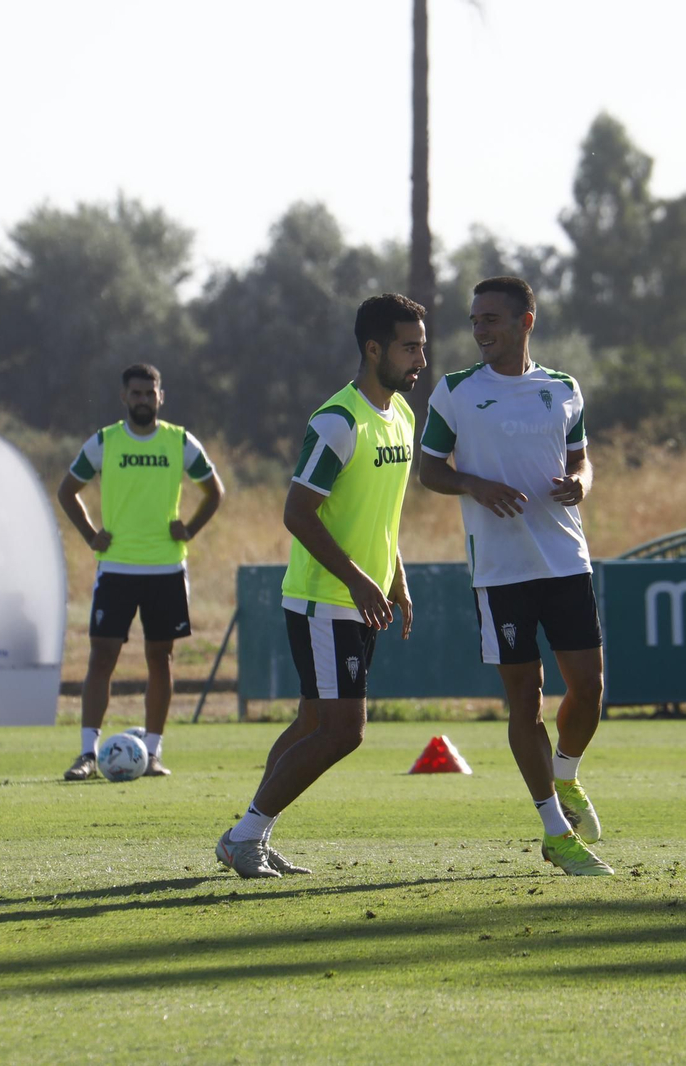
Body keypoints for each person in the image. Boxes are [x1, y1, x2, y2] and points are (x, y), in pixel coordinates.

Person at [215, 293, 426, 878]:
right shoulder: (337, 421)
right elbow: (298, 512)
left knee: (312, 724)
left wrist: (396, 578)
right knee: (343, 731)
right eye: (409, 348)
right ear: (373, 348)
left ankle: (249, 832)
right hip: (324, 599)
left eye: (423, 348)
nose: (419, 360)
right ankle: (246, 833)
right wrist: (359, 580)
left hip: (360, 597)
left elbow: (379, 517)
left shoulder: (402, 417)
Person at [416, 276, 611, 876]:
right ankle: (554, 830)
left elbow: (581, 458)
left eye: (492, 319)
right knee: (525, 700)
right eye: (475, 320)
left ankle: (566, 774)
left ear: (526, 321)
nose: (480, 330)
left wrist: (582, 483)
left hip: (564, 560)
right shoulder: (453, 392)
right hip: (500, 574)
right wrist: (473, 483)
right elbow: (429, 470)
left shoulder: (562, 388)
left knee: (589, 688)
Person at [57, 363, 224, 780]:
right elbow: (67, 490)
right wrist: (90, 534)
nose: (144, 400)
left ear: (161, 397)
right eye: (136, 394)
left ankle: (152, 753)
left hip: (165, 568)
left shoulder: (180, 442)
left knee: (160, 658)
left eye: (151, 394)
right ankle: (86, 755)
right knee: (102, 657)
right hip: (116, 568)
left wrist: (189, 528)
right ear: (124, 398)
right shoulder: (105, 441)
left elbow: (213, 491)